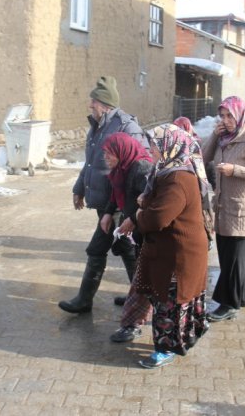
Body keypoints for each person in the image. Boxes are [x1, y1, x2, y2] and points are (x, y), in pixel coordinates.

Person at [58, 76, 149, 314]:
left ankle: (89, 300)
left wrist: (126, 208)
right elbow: (91, 164)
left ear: (105, 104)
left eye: (94, 102)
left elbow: (142, 166)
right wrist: (79, 188)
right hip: (107, 203)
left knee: (103, 248)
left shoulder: (126, 126)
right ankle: (138, 297)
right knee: (125, 250)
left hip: (121, 205)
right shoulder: (97, 126)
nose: (90, 106)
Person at [134, 124, 210, 368]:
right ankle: (181, 341)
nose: (151, 150)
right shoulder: (168, 170)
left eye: (155, 145)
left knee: (170, 301)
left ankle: (167, 348)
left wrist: (139, 214)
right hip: (176, 249)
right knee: (174, 301)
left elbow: (158, 218)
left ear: (170, 146)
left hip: (179, 255)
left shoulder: (177, 178)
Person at [201, 96, 245, 322]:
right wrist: (214, 133)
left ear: (240, 115)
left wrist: (236, 170)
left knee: (234, 261)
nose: (225, 120)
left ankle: (228, 304)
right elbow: (203, 157)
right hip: (224, 207)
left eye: (229, 115)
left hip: (244, 210)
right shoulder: (223, 137)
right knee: (228, 257)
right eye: (222, 116)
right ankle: (243, 296)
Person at [99, 132, 154, 343]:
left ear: (121, 152)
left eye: (109, 153)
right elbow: (116, 193)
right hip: (134, 228)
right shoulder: (122, 168)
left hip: (144, 231)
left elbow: (147, 200)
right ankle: (136, 303)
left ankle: (135, 322)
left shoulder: (141, 168)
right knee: (138, 272)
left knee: (143, 276)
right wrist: (107, 212)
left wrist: (131, 219)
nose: (106, 157)